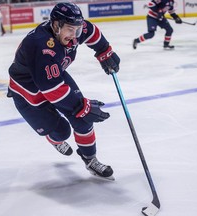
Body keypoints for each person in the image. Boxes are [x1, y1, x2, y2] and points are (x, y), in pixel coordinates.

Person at [7, 2, 120, 180]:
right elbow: (51, 89)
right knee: (62, 131)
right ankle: (54, 138)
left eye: (77, 29)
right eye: (69, 30)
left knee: (82, 117)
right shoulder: (41, 44)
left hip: (52, 77)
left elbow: (91, 31)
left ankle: (90, 159)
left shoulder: (74, 31)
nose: (74, 36)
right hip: (27, 91)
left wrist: (104, 51)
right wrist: (84, 105)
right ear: (56, 25)